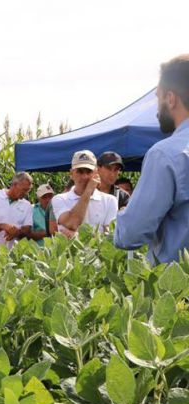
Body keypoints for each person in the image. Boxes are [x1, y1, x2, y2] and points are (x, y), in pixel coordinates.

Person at [115, 54, 189, 263]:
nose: (157, 109)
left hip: (178, 291)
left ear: (171, 98)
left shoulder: (165, 155)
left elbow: (131, 234)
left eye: (158, 97)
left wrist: (124, 214)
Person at [51, 150, 117, 236]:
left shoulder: (110, 201)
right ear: (71, 174)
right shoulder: (59, 199)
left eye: (89, 172)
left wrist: (76, 236)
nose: (84, 177)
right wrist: (88, 190)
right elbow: (72, 223)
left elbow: (109, 236)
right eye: (80, 171)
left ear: (96, 172)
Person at [0, 172, 33, 251]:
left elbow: (27, 230)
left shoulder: (27, 205)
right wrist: (2, 226)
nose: (26, 193)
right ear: (14, 185)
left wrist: (17, 232)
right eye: (24, 190)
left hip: (15, 255)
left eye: (28, 190)